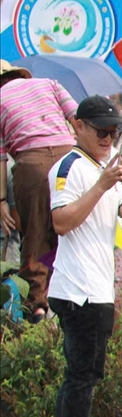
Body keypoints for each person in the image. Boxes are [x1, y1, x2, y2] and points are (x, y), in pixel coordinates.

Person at [48, 96, 122, 417]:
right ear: (78, 126)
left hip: (98, 289)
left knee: (88, 377)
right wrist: (102, 185)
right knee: (79, 378)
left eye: (114, 132)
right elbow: (61, 221)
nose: (108, 139)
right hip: (77, 289)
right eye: (102, 131)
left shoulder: (105, 168)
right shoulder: (68, 166)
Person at [0, 58, 77, 316]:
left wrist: (1, 201)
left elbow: (0, 158)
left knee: (34, 233)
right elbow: (78, 118)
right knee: (68, 229)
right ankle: (67, 299)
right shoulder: (49, 85)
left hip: (31, 163)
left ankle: (37, 305)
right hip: (68, 157)